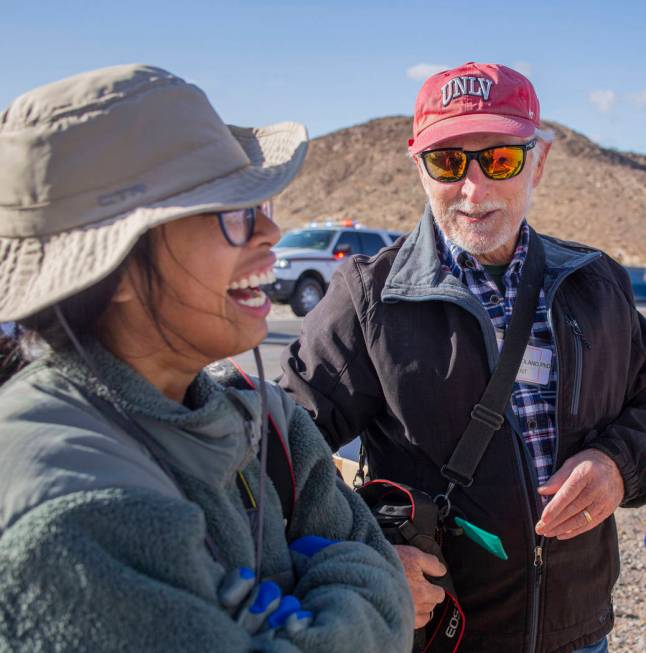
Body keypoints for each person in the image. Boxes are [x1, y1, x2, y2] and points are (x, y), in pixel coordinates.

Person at [0, 64, 414, 652]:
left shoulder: (271, 427)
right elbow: (371, 577)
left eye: (261, 204)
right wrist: (356, 584)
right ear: (112, 269)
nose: (271, 232)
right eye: (234, 210)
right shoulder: (72, 509)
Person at [280, 62, 645, 653]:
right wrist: (365, 553)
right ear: (418, 169)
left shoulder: (595, 283)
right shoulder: (370, 297)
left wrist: (615, 464)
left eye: (500, 160)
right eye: (449, 162)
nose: (474, 189)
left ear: (539, 163)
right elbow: (281, 457)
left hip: (581, 632)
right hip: (445, 636)